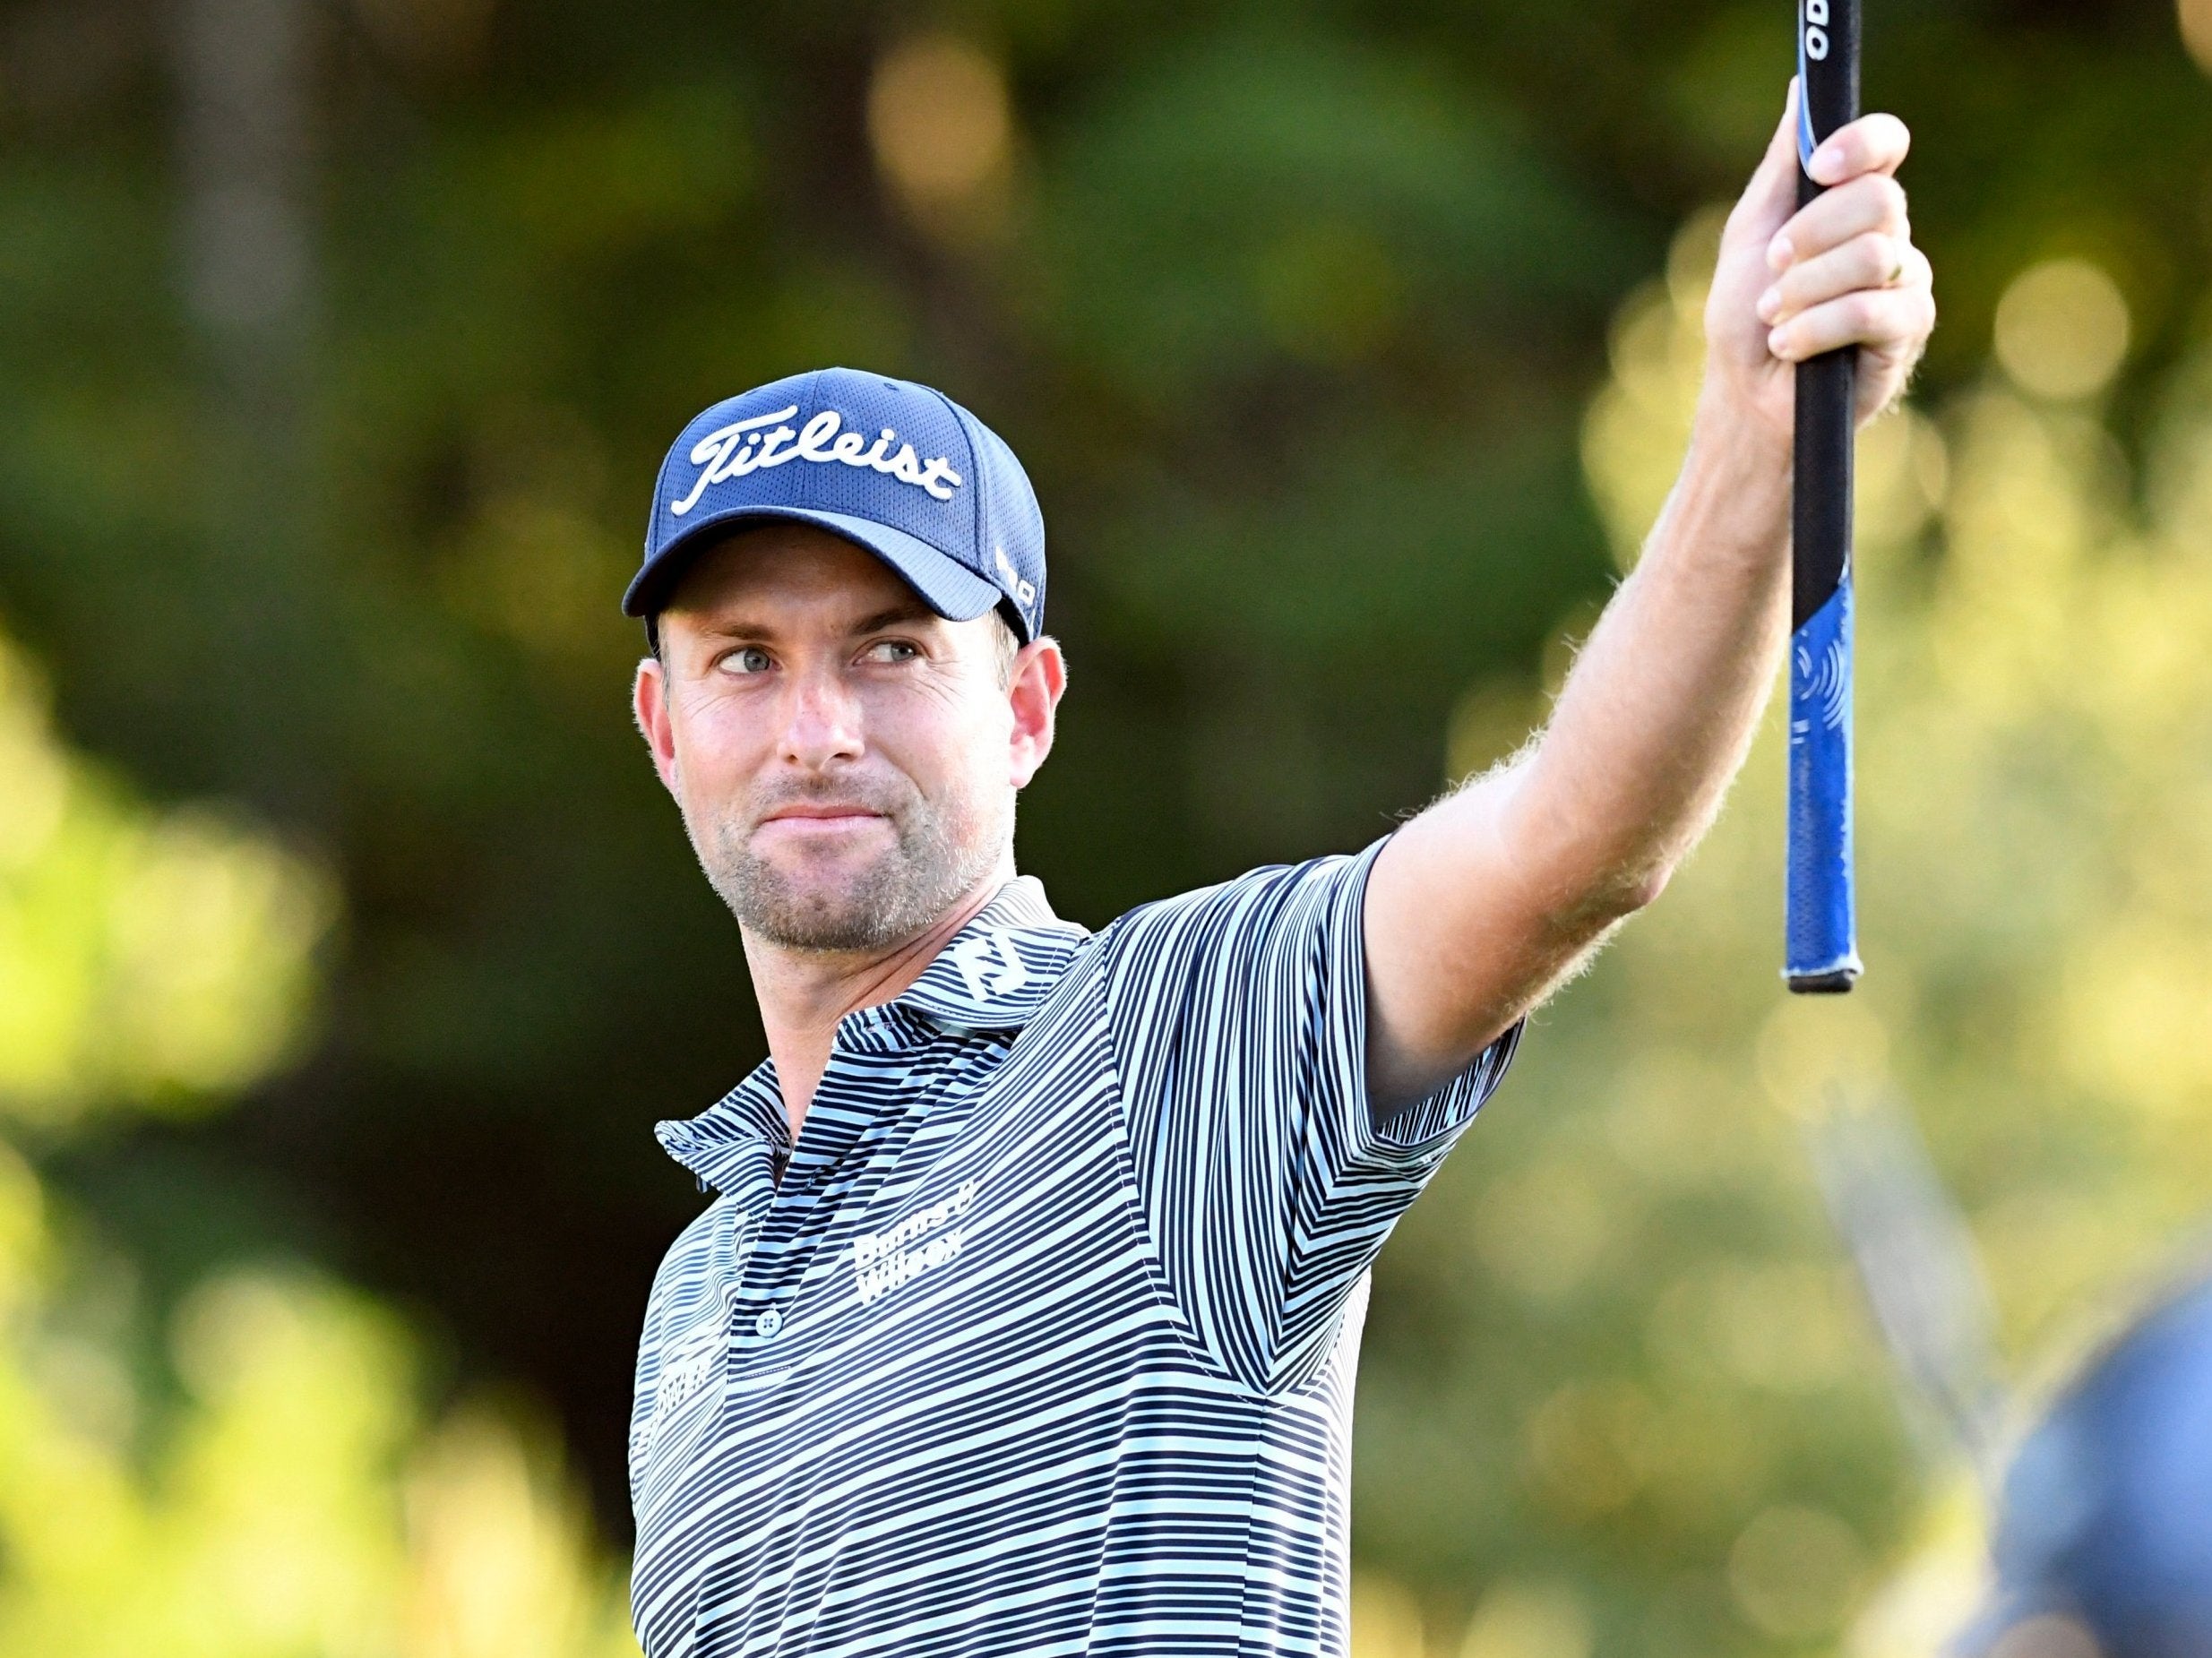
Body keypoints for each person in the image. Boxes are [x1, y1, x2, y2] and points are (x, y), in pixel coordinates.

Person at [619, 84, 1933, 1658]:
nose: (815, 729)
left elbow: (1563, 843)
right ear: (664, 726)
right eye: (747, 661)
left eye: (892, 650)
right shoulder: (696, 1289)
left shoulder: (1153, 1052)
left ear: (1026, 709)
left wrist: (1746, 436)